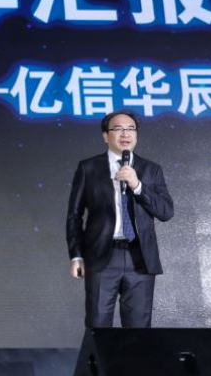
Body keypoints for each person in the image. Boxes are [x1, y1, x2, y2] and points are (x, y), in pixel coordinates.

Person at [66, 110, 174, 328]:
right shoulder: (88, 168)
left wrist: (137, 185)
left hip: (140, 258)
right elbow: (74, 216)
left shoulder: (151, 170)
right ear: (106, 136)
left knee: (138, 331)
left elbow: (165, 212)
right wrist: (76, 255)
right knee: (98, 327)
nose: (125, 134)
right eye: (118, 129)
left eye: (131, 129)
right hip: (102, 256)